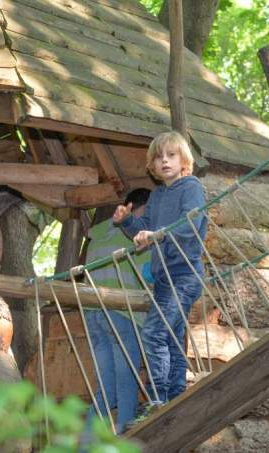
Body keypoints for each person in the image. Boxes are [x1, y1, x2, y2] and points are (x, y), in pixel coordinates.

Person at [113, 131, 208, 406]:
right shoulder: (156, 196)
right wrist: (128, 221)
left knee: (154, 333)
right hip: (164, 279)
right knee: (172, 338)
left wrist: (159, 235)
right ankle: (176, 396)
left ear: (183, 160)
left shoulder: (191, 187)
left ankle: (159, 398)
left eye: (171, 155)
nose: (164, 161)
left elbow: (190, 225)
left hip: (184, 275)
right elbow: (144, 231)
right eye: (158, 157)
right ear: (152, 166)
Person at [83, 188, 152, 434]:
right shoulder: (134, 232)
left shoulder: (98, 234)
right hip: (122, 314)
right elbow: (149, 276)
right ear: (133, 208)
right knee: (126, 383)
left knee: (106, 389)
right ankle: (125, 439)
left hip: (92, 314)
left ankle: (86, 445)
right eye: (147, 212)